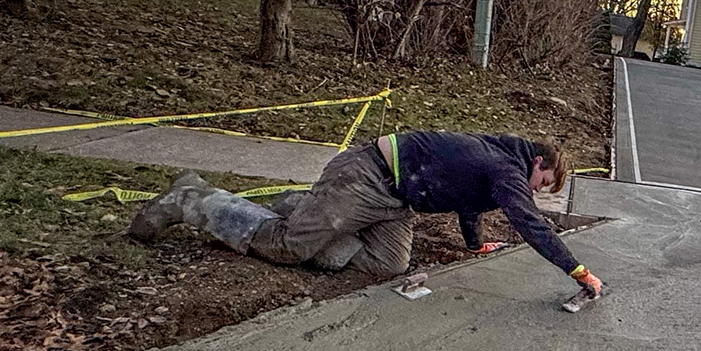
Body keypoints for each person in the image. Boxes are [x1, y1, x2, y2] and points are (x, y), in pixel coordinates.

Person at [129, 131, 603, 300]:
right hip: (368, 175)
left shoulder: (499, 164)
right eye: (546, 185)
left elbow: (469, 203)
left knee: (387, 265)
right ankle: (192, 199)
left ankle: (302, 209)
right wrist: (575, 269)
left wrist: (474, 244)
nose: (539, 193)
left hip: (396, 199)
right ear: (540, 164)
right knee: (289, 248)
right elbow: (529, 223)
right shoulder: (507, 167)